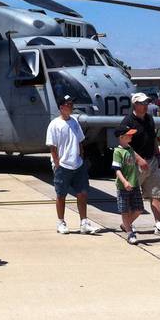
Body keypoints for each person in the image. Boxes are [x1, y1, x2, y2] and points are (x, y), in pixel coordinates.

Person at [118, 92, 160, 237]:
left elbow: (153, 138)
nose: (145, 106)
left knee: (155, 194)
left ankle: (159, 224)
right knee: (133, 199)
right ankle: (127, 224)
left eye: (146, 103)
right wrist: (138, 159)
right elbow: (125, 144)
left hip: (152, 161)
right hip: (135, 165)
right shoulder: (128, 122)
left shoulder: (149, 119)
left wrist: (158, 155)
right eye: (142, 103)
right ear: (135, 104)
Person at [46, 95, 99, 235]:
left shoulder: (74, 121)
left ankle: (84, 222)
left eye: (71, 104)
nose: (71, 106)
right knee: (61, 195)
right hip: (63, 165)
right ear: (61, 107)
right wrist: (57, 164)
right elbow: (52, 147)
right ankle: (61, 222)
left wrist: (81, 156)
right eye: (68, 104)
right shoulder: (54, 124)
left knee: (82, 193)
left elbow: (80, 141)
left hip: (78, 164)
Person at [113, 124, 143, 245]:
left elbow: (134, 163)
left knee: (139, 209)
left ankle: (125, 225)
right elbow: (117, 169)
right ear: (121, 137)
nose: (131, 135)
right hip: (123, 186)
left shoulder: (130, 149)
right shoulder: (118, 151)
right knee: (124, 210)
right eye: (128, 134)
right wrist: (125, 182)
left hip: (134, 184)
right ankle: (130, 233)